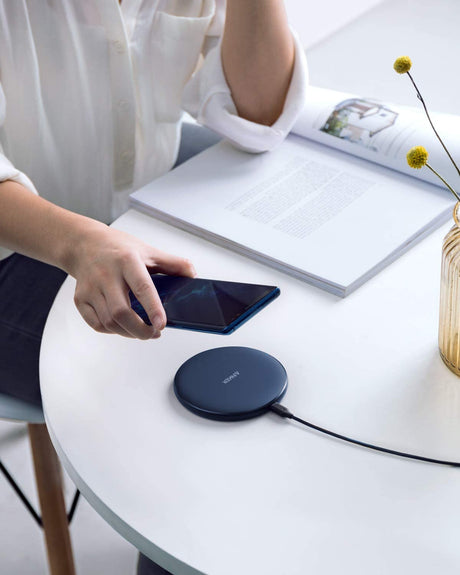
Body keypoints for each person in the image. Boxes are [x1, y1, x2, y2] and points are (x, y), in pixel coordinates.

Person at [0, 1, 308, 572]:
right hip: (11, 251)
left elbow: (260, 116)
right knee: (197, 405)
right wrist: (79, 244)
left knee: (291, 323)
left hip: (137, 207)